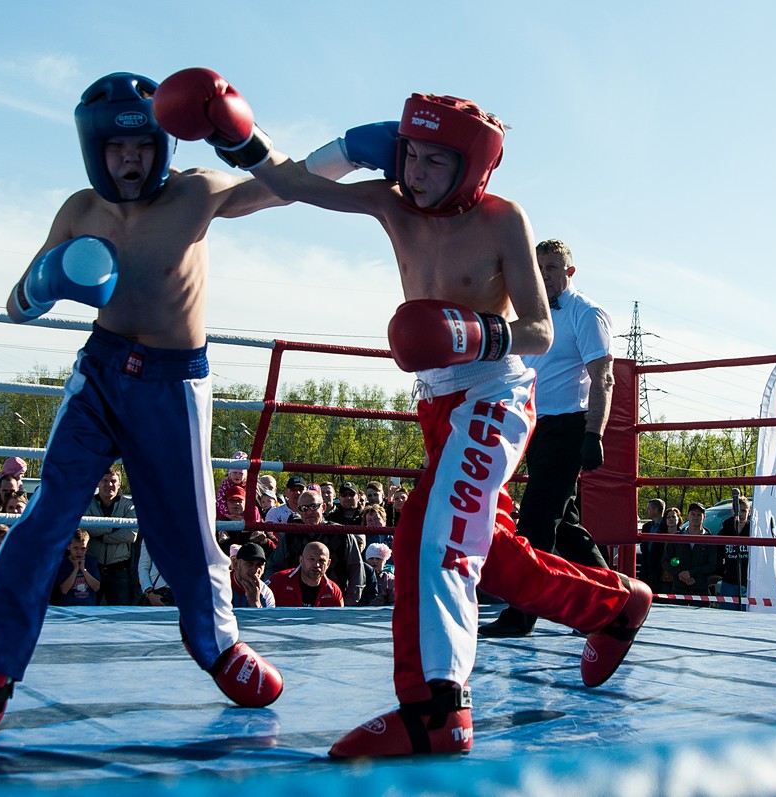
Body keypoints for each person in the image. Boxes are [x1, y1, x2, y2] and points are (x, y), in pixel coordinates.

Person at [157, 72, 650, 756]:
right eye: (410, 154)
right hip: (436, 403)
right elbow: (300, 186)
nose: (416, 172)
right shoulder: (394, 203)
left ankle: (435, 708)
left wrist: (475, 331)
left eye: (434, 159)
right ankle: (614, 604)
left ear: (471, 165)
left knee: (430, 532)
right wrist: (239, 138)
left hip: (495, 394)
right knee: (493, 555)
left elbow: (537, 330)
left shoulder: (505, 220)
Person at [0, 70, 353, 746]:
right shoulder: (79, 211)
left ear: (162, 143)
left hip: (174, 385)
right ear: (94, 150)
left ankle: (220, 647)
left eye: (141, 145)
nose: (129, 160)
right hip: (101, 374)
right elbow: (14, 303)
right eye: (115, 149)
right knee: (44, 515)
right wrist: (46, 279)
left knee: (187, 534)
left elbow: (283, 188)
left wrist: (340, 146)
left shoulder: (196, 191)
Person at [480, 238, 615, 638]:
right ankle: (614, 603)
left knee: (537, 520)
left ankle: (521, 615)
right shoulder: (531, 315)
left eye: (552, 267)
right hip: (533, 427)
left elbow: (603, 378)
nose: (544, 275)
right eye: (538, 268)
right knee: (567, 526)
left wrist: (595, 433)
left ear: (569, 272)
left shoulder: (586, 313)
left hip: (569, 427)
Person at [80, 467, 137, 606]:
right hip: (91, 569)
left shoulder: (129, 507)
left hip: (120, 571)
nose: (109, 484)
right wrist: (115, 527)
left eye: (113, 481)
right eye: (104, 480)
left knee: (120, 616)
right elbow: (84, 528)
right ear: (97, 483)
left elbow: (131, 534)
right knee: (86, 614)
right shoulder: (86, 503)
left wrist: (102, 535)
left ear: (119, 484)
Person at [663, 503, 718, 601]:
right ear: (687, 516)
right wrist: (680, 573)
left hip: (700, 590)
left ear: (704, 517)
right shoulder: (676, 538)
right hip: (678, 589)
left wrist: (691, 573)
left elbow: (712, 565)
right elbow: (666, 561)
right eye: (693, 514)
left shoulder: (710, 540)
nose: (695, 517)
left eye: (699, 515)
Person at [267, 540, 344, 607]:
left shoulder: (333, 591)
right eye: (311, 559)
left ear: (328, 563)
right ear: (301, 560)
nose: (316, 565)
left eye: (321, 561)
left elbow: (338, 621)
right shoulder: (278, 582)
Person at [717, 497, 750, 610]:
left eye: (744, 511)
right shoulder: (724, 532)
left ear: (749, 512)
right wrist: (722, 572)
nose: (740, 514)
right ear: (732, 511)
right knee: (727, 615)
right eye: (737, 511)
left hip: (748, 583)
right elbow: (718, 555)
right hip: (728, 582)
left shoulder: (753, 532)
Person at [55, 530, 101, 606]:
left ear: (87, 547)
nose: (79, 552)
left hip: (88, 607)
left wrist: (83, 570)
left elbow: (96, 587)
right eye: (76, 548)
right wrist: (75, 569)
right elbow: (64, 590)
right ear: (68, 546)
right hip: (68, 607)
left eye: (83, 548)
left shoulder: (91, 562)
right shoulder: (63, 563)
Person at [231, 542, 276, 608]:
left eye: (259, 565)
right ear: (236, 564)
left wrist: (255, 603)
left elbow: (267, 618)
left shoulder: (265, 593)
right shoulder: (220, 585)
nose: (255, 570)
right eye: (249, 563)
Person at [365, 542, 395, 606]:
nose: (374, 561)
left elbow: (393, 601)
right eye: (371, 558)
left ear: (384, 561)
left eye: (378, 559)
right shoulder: (361, 575)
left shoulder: (389, 579)